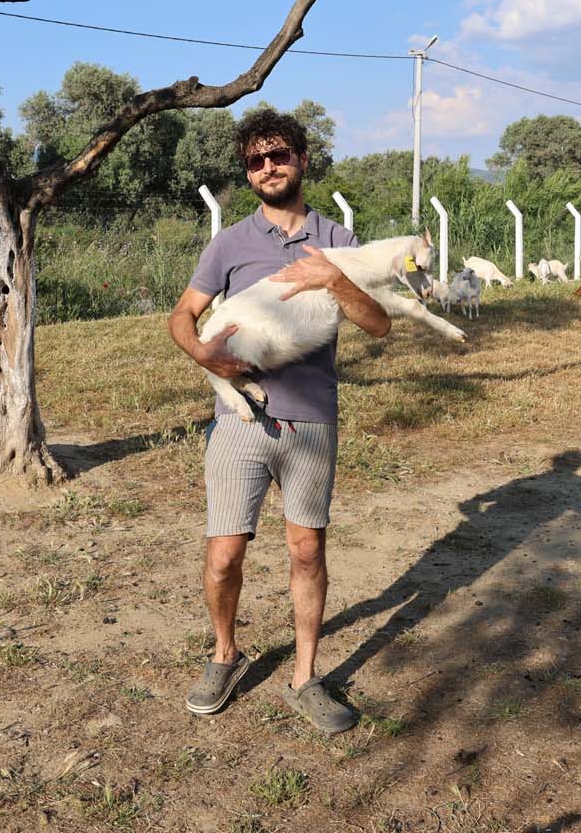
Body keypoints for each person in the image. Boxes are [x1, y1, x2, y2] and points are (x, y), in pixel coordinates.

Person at [167, 108, 390, 734]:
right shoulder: (231, 243)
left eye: (280, 155)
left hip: (312, 420)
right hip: (239, 423)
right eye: (256, 160)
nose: (269, 168)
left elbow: (378, 323)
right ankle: (224, 655)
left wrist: (334, 279)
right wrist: (202, 353)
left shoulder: (339, 239)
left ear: (301, 160)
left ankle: (305, 676)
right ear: (247, 170)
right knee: (222, 556)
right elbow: (182, 316)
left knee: (307, 551)